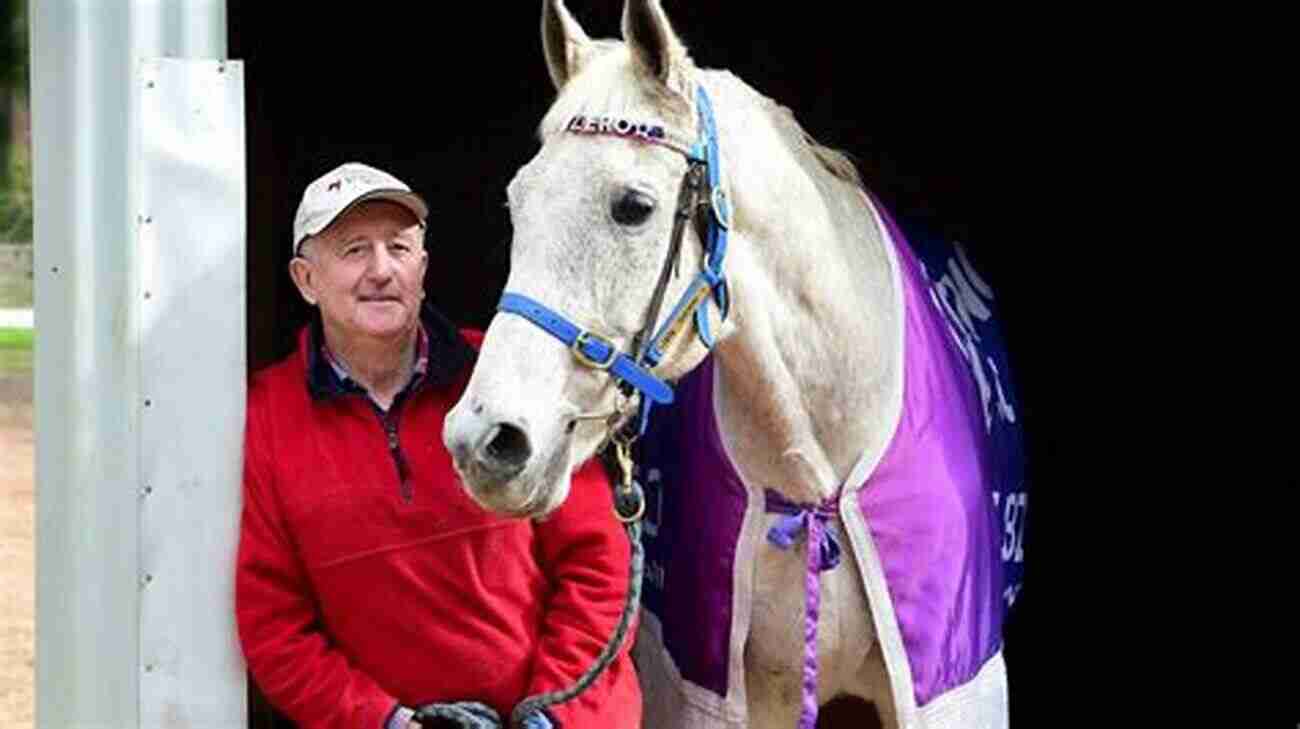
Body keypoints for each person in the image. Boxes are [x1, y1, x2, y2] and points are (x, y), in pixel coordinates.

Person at [235, 162, 641, 729]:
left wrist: (550, 715)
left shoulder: (507, 381)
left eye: (398, 249)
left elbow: (599, 566)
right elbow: (273, 621)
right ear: (306, 280)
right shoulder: (263, 417)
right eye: (354, 250)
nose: (381, 271)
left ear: (422, 270)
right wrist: (391, 723)